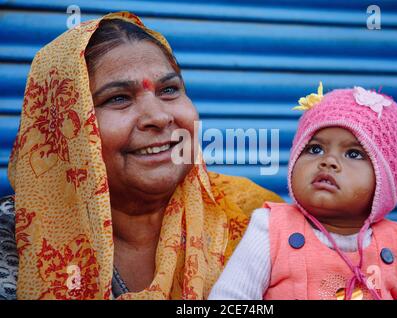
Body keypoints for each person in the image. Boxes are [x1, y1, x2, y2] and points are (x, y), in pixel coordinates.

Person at [0, 11, 282, 300]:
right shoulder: (18, 237)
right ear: (63, 127)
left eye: (170, 90)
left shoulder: (258, 221)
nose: (159, 117)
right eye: (118, 98)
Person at [209, 83, 397, 300]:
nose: (328, 161)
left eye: (354, 154)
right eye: (315, 149)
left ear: (387, 180)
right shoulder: (270, 228)